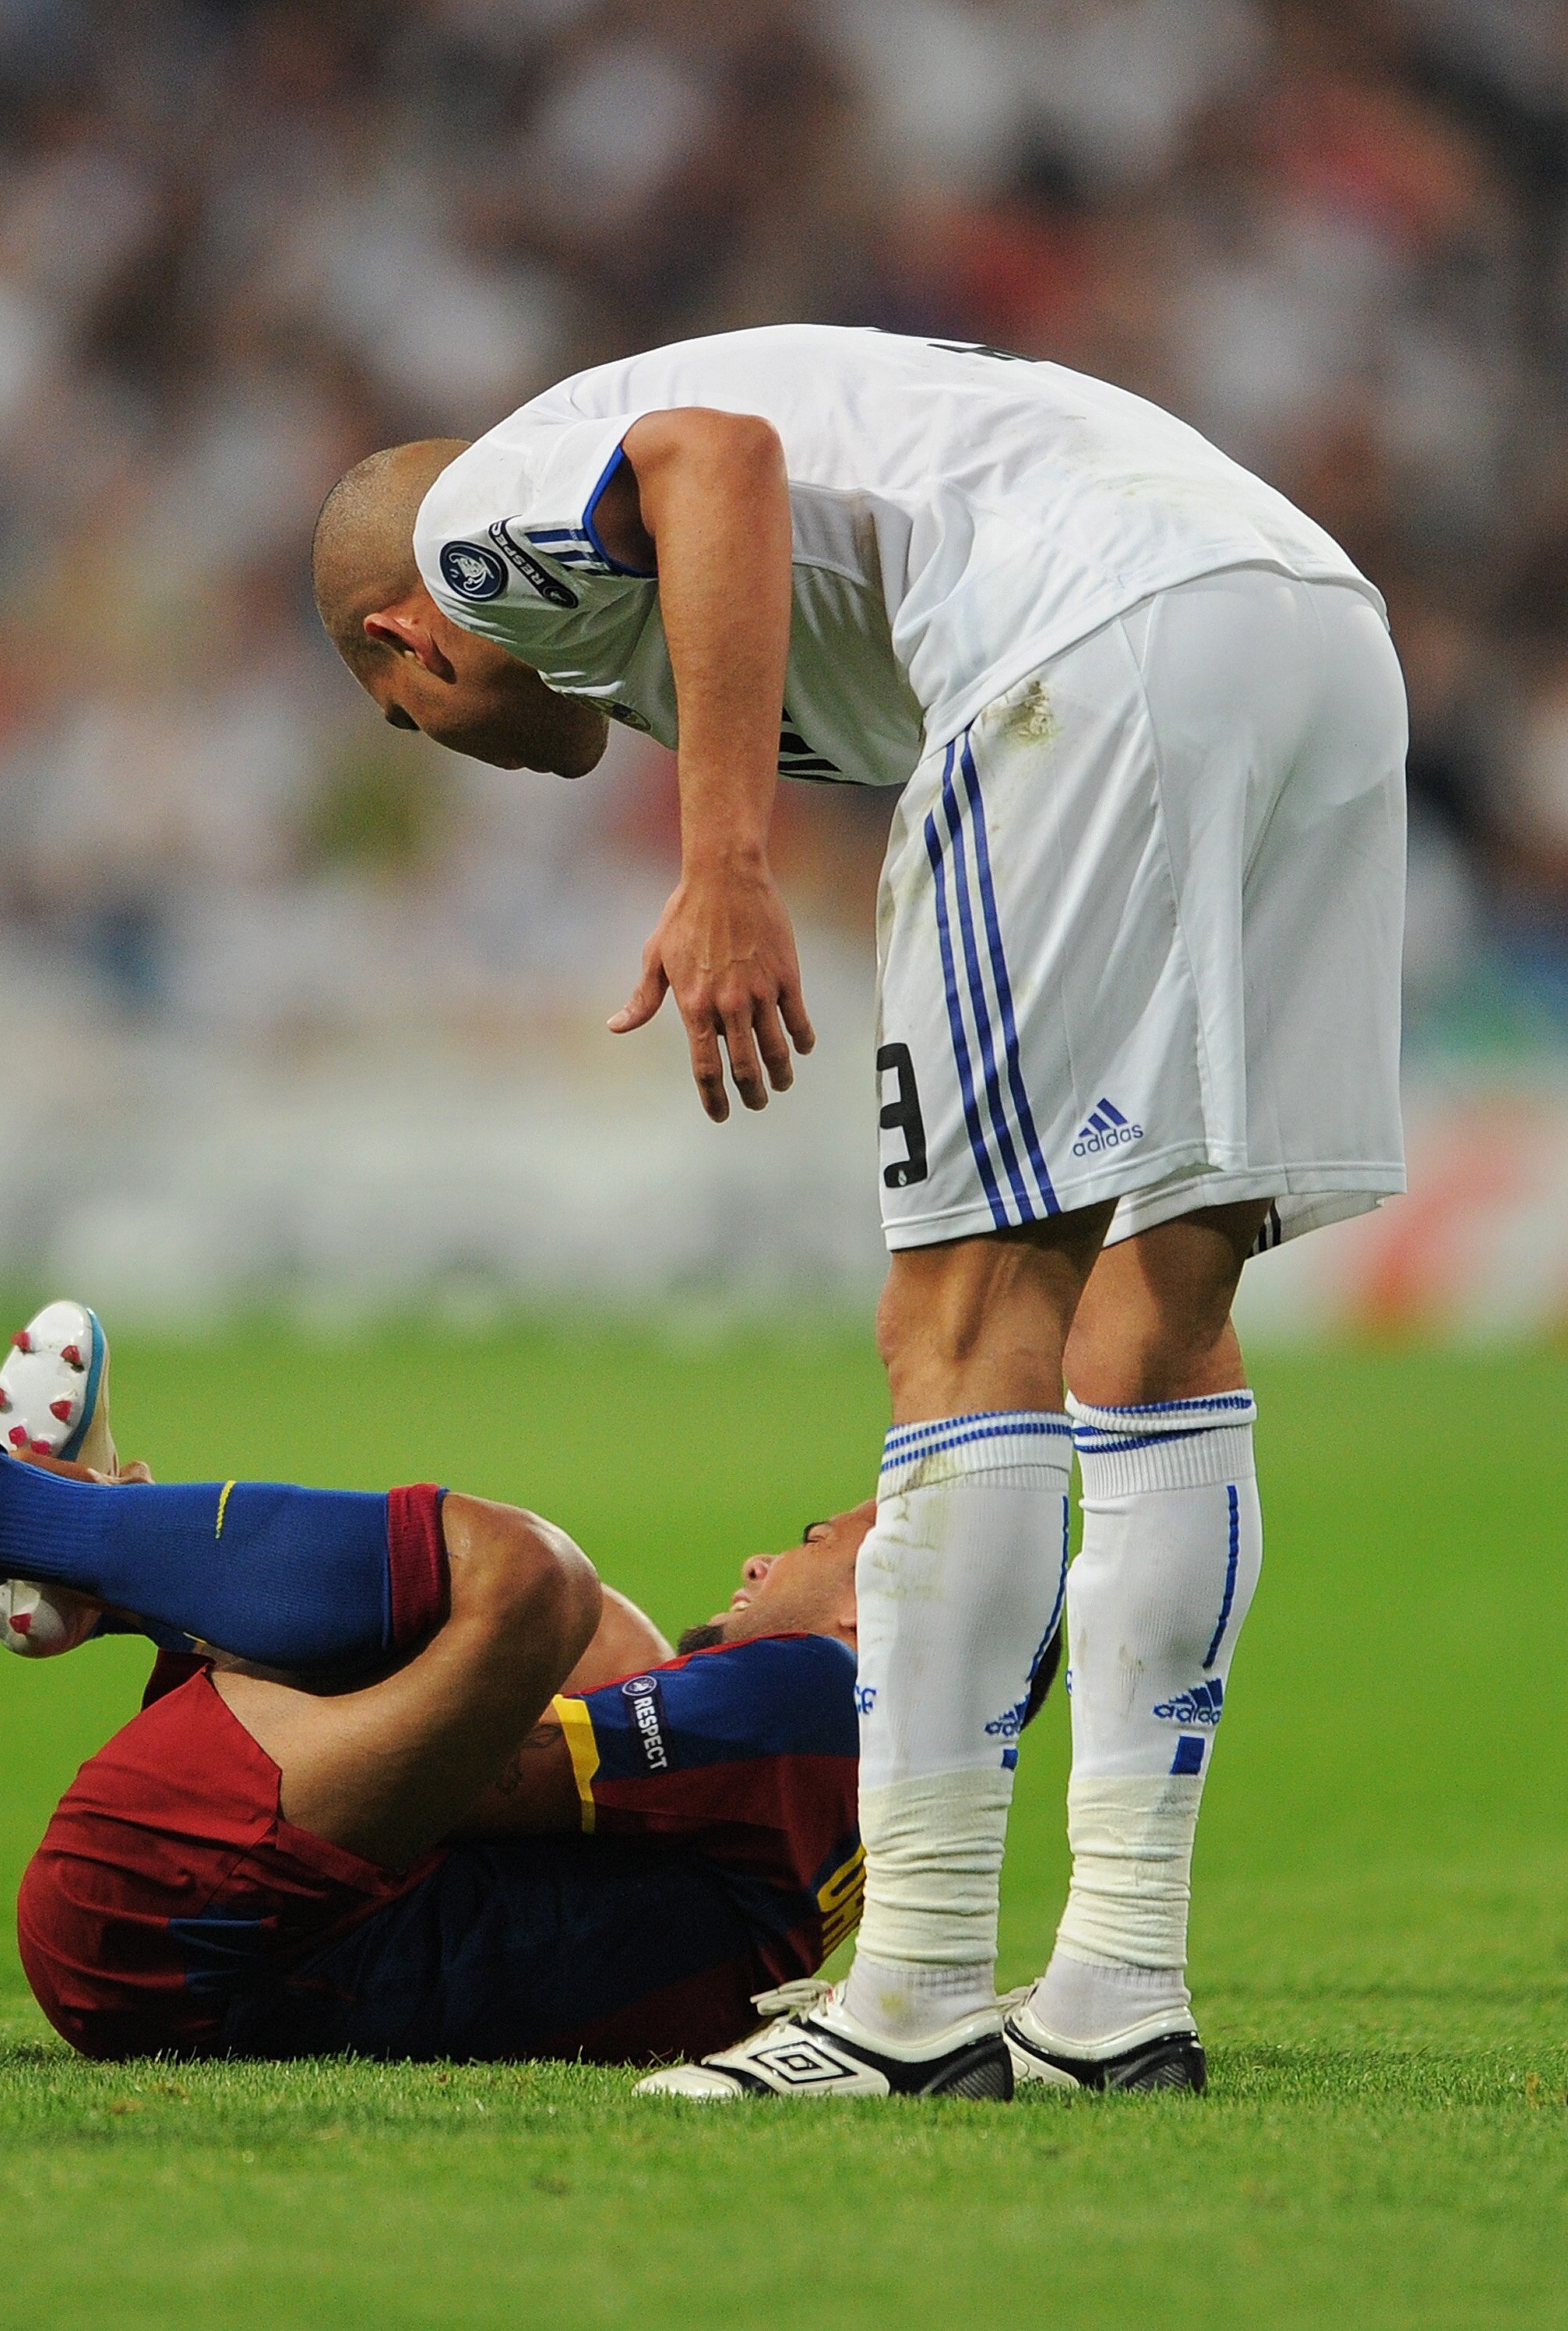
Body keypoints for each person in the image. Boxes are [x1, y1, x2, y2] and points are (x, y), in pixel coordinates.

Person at [309, 326, 1407, 2093]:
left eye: (406, 715)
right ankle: (1119, 1987)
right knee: (1157, 1314)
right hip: (1309, 628)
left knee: (962, 1323)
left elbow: (714, 459)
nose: (444, 738)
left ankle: (907, 1996)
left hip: (1097, 631)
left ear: (403, 639)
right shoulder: (693, 626)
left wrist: (719, 860)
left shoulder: (462, 533)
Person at [0, 1267, 1058, 2084]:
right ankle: (76, 1550)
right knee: (598, 1637)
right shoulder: (871, 1794)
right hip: (218, 1952)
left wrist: (184, 1606)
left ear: (882, 1593)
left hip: (166, 1922)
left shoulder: (819, 1698)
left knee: (529, 1584)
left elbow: (478, 1766)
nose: (761, 1553)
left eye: (809, 1538)